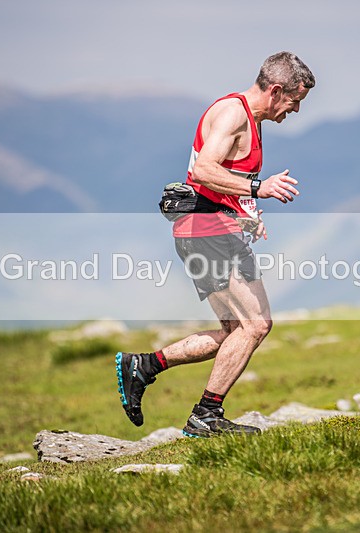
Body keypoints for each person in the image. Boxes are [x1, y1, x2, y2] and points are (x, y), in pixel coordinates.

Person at [116, 51, 315, 438]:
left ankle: (144, 366)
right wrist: (260, 187)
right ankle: (205, 415)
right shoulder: (232, 113)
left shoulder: (253, 122)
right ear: (275, 91)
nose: (294, 112)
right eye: (294, 102)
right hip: (203, 232)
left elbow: (221, 179)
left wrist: (246, 212)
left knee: (234, 331)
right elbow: (203, 169)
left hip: (212, 229)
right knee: (256, 325)